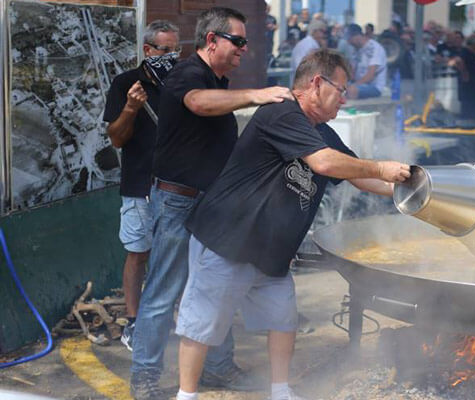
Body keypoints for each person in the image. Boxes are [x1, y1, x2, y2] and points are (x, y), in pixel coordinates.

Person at [174, 49, 410, 400]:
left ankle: (280, 392)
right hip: (228, 239)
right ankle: (186, 395)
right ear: (316, 83)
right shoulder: (281, 114)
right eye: (341, 90)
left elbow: (359, 176)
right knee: (202, 325)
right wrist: (380, 167)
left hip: (271, 251)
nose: (345, 98)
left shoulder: (323, 133)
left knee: (283, 321)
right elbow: (327, 165)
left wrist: (409, 192)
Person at [129, 7, 295, 400]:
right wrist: (256, 94)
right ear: (211, 41)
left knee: (216, 287)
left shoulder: (217, 79)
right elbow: (199, 103)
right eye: (237, 41)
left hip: (212, 204)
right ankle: (145, 377)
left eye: (244, 41)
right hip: (178, 201)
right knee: (165, 290)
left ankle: (218, 368)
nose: (243, 48)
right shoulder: (189, 74)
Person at [103, 20, 180, 353]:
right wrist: (132, 108)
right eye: (165, 50)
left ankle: (167, 315)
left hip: (178, 183)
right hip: (140, 182)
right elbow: (117, 137)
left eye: (177, 50)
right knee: (138, 252)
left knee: (175, 254)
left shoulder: (180, 83)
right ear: (148, 50)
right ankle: (133, 321)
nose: (172, 57)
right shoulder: (126, 83)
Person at [345, 23, 387, 99]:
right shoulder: (356, 50)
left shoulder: (374, 48)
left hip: (374, 87)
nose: (348, 43)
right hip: (360, 84)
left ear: (356, 37)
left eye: (349, 39)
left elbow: (370, 76)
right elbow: (352, 74)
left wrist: (353, 85)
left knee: (351, 91)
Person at [452, 32, 475, 122]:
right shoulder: (465, 52)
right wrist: (464, 72)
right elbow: (458, 61)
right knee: (468, 111)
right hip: (468, 88)